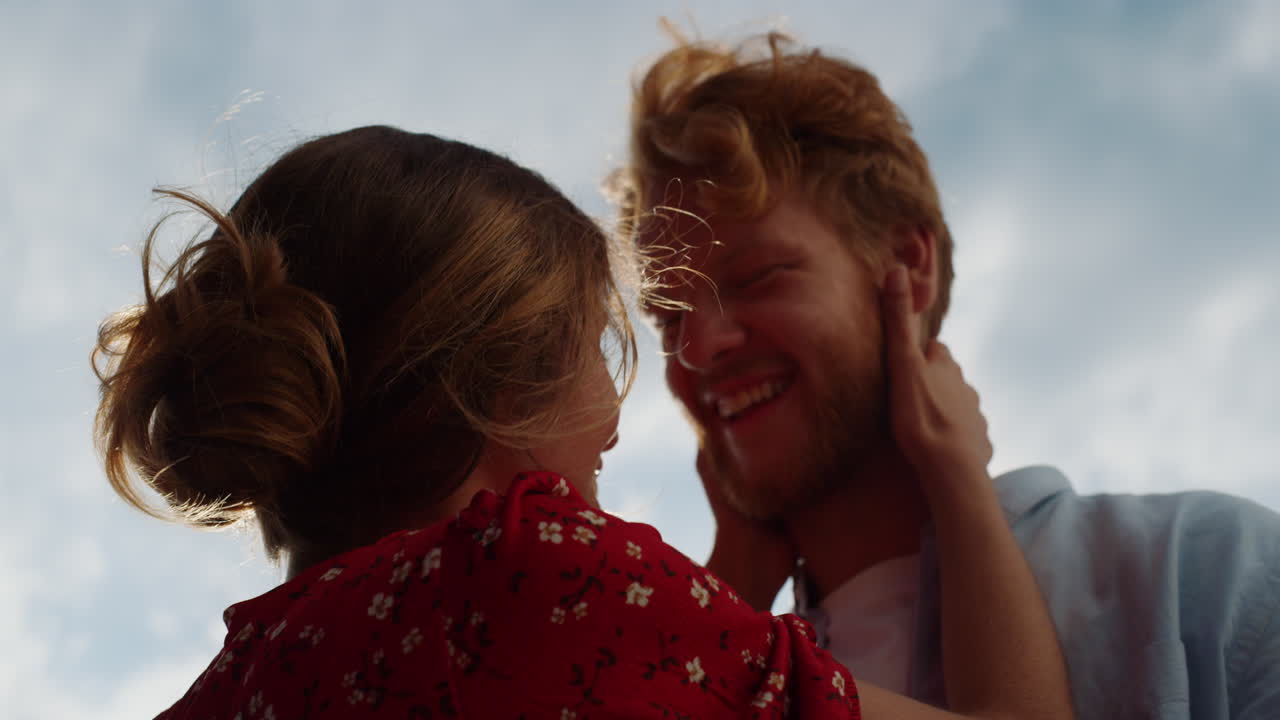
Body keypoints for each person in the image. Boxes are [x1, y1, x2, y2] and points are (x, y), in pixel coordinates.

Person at [94, 126, 1073, 718]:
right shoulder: (540, 576)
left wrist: (731, 574)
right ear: (496, 391)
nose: (616, 410)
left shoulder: (229, 691)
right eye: (602, 343)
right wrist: (954, 469)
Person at [613, 29, 1280, 719]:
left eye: (757, 276)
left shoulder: (1208, 574)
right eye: (667, 320)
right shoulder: (724, 681)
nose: (697, 348)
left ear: (908, 264)